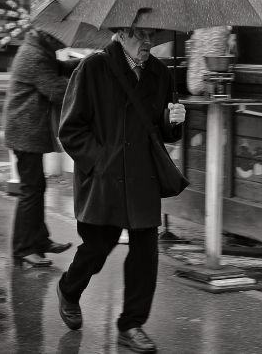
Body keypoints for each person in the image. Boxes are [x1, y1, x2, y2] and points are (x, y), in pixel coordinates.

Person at [56, 26, 186, 353]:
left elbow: (164, 132)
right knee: (99, 245)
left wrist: (174, 122)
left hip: (142, 175)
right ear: (120, 33)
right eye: (140, 34)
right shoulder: (93, 68)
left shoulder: (159, 73)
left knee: (145, 252)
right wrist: (101, 160)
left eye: (152, 35)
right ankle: (70, 290)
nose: (148, 42)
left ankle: (132, 325)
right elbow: (70, 129)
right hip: (104, 176)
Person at [2, 28, 76, 267]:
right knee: (30, 191)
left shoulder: (39, 51)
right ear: (48, 36)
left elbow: (58, 69)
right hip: (25, 132)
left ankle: (39, 240)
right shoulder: (33, 55)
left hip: (27, 131)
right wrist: (88, 85)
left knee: (35, 188)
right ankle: (23, 249)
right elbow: (56, 89)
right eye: (59, 39)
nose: (61, 44)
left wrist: (86, 63)